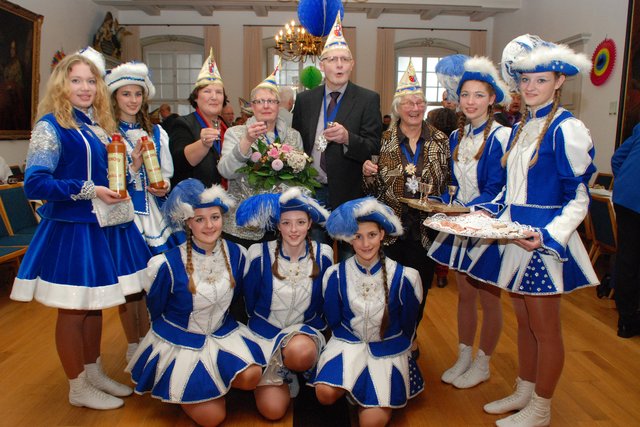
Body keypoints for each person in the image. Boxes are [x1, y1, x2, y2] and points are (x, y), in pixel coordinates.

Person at [466, 35, 598, 426]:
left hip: (542, 241)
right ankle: (525, 389)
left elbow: (578, 196)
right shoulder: (524, 126)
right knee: (524, 319)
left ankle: (542, 407)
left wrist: (550, 236)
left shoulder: (567, 128)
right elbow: (511, 188)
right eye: (525, 80)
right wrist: (483, 211)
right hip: (515, 234)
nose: (530, 87)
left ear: (559, 81)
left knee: (546, 328)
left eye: (540, 80)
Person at [10, 47, 151, 410]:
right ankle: (77, 385)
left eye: (91, 81)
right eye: (76, 80)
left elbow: (109, 180)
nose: (85, 87)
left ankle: (93, 372)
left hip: (100, 228)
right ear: (62, 84)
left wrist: (132, 167)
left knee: (94, 307)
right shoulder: (51, 126)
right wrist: (88, 190)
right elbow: (35, 184)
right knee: (74, 310)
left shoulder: (97, 126)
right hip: (72, 231)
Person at [126, 179, 263, 427]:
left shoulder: (237, 254)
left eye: (215, 217)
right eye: (200, 219)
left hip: (221, 333)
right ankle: (179, 384)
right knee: (213, 419)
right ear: (188, 222)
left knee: (252, 376)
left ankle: (215, 380)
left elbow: (241, 295)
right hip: (183, 340)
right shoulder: (164, 264)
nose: (209, 225)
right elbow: (156, 309)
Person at [428, 55, 511, 389]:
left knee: (489, 297)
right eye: (466, 95)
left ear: (492, 99)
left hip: (487, 226)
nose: (471, 101)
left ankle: (483, 361)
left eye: (479, 95)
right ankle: (464, 354)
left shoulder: (503, 137)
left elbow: (498, 188)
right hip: (461, 225)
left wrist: (466, 212)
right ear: (457, 99)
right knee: (465, 293)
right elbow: (454, 185)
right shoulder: (456, 138)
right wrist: (444, 205)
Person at [362, 60, 450, 357]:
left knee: (419, 287)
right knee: (387, 287)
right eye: (409, 102)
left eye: (420, 102)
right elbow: (370, 192)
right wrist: (368, 174)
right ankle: (386, 334)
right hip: (390, 230)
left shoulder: (440, 141)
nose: (416, 107)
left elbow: (447, 183)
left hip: (425, 231)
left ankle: (410, 337)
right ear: (398, 107)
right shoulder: (382, 139)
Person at [312, 197, 424, 427]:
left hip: (387, 349)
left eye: (371, 235)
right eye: (358, 236)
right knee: (324, 394)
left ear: (382, 235)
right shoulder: (334, 275)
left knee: (370, 423)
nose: (365, 243)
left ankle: (363, 389)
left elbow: (408, 326)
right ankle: (354, 384)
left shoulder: (406, 277)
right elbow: (333, 319)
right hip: (348, 343)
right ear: (349, 238)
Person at [106, 61, 183, 362]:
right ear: (115, 97)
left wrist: (162, 186)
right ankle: (132, 345)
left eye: (137, 94)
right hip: (125, 215)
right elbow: (107, 180)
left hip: (154, 212)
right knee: (129, 287)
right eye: (126, 94)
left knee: (155, 281)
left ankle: (153, 339)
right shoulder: (105, 134)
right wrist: (134, 166)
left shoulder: (157, 132)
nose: (133, 100)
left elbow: (166, 172)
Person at [235, 187, 333, 420]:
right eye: (286, 223)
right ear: (277, 225)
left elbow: (325, 301)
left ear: (310, 223)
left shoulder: (324, 254)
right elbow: (250, 299)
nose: (293, 229)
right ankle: (281, 369)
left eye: (300, 222)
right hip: (266, 333)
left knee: (301, 352)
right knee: (273, 412)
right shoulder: (258, 254)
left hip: (303, 334)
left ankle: (299, 365)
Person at [292, 13, 382, 213]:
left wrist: (347, 138)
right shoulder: (305, 100)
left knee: (347, 245)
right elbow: (296, 142)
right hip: (310, 189)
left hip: (349, 191)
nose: (339, 64)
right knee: (313, 244)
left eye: (344, 59)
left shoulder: (368, 99)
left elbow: (374, 147)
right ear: (322, 66)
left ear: (352, 64)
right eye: (332, 59)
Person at [218, 64, 303, 247]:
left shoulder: (293, 136)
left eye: (271, 101)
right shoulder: (236, 133)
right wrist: (247, 140)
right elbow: (225, 171)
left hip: (281, 226)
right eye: (259, 101)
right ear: (252, 106)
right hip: (241, 226)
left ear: (278, 105)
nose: (265, 106)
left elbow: (300, 178)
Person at [169, 48, 228, 188]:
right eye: (207, 91)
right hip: (195, 201)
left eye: (219, 92)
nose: (214, 97)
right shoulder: (183, 124)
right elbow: (179, 162)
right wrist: (203, 144)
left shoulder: (227, 127)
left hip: (226, 200)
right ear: (196, 97)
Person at [611, 122, 640, 338]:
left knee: (627, 259)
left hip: (625, 199)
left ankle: (626, 321)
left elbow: (618, 158)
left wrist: (627, 183)